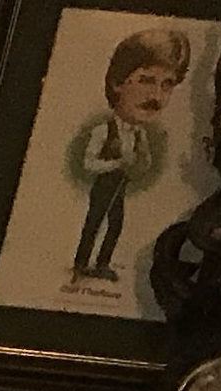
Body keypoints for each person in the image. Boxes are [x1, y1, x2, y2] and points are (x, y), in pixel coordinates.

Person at [73, 29, 189, 284]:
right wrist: (117, 163)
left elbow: (145, 164)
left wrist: (140, 160)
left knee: (115, 225)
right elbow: (88, 162)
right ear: (118, 82)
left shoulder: (139, 135)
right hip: (104, 186)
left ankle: (102, 263)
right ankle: (81, 264)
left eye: (167, 85)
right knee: (93, 223)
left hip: (120, 187)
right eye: (146, 80)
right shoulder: (104, 130)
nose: (156, 97)